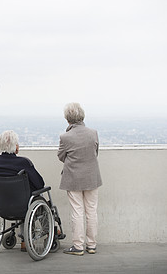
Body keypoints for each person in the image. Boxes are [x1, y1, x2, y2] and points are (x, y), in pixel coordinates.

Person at [0, 130, 45, 252]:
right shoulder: (23, 163)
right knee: (37, 200)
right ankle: (33, 237)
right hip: (23, 205)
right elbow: (40, 184)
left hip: (1, 205)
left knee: (23, 199)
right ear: (16, 147)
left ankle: (25, 239)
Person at [58, 103, 102, 256]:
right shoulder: (93, 133)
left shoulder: (65, 137)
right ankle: (92, 245)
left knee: (77, 212)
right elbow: (95, 152)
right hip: (92, 177)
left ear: (67, 119)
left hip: (73, 178)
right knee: (91, 211)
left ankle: (78, 246)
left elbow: (61, 156)